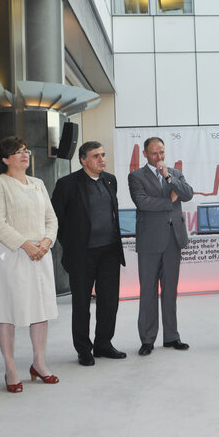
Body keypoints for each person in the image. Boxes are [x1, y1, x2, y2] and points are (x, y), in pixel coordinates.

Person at [0, 136, 59, 393]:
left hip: (40, 254)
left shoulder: (38, 183)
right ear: (5, 159)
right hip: (12, 254)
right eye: (18, 152)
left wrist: (47, 241)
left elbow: (51, 217)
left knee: (41, 310)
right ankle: (11, 368)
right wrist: (27, 245)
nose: (25, 155)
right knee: (8, 311)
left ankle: (39, 363)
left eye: (26, 151)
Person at [52, 141, 126, 367]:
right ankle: (84, 349)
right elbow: (56, 220)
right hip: (82, 254)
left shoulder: (110, 180)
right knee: (82, 304)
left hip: (110, 251)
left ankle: (104, 343)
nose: (102, 159)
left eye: (103, 155)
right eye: (96, 156)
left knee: (109, 301)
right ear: (83, 160)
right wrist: (72, 247)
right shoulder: (67, 184)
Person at [127, 137, 193, 356]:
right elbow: (142, 202)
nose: (159, 157)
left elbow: (187, 193)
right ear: (145, 154)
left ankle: (172, 336)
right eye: (154, 153)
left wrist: (168, 176)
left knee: (170, 291)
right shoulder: (136, 176)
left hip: (173, 240)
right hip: (149, 242)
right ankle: (147, 339)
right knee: (148, 291)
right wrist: (169, 201)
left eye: (162, 152)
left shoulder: (174, 172)